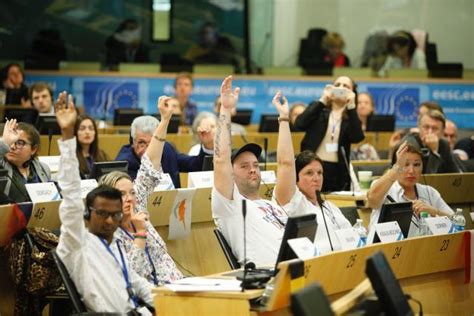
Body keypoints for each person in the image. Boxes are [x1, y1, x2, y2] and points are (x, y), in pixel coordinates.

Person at [54, 92, 153, 313]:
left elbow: (138, 284)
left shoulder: (115, 242)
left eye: (115, 215)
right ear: (88, 214)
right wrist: (68, 135)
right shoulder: (76, 242)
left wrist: (167, 302)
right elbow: (70, 194)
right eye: (102, 214)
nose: (110, 221)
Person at [99, 95, 183, 286]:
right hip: (152, 300)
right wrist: (140, 234)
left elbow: (150, 165)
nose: (129, 198)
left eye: (132, 193)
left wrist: (165, 120)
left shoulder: (138, 207)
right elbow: (129, 279)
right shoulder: (110, 233)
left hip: (178, 285)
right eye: (121, 194)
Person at [212, 76, 288, 265]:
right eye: (244, 167)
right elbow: (221, 158)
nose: (253, 170)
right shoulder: (230, 205)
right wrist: (226, 110)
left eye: (255, 165)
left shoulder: (273, 205)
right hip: (267, 277)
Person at [271, 91, 352, 254]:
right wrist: (284, 119)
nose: (316, 177)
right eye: (309, 173)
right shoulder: (293, 202)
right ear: (296, 178)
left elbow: (352, 236)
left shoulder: (330, 206)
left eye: (320, 173)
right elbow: (285, 164)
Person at [367, 142, 453, 237]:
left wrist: (434, 211)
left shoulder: (429, 192)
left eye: (416, 165)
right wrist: (397, 168)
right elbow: (372, 200)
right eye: (405, 164)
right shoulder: (386, 188)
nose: (411, 171)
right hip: (385, 249)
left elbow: (457, 221)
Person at [295, 76, 364, 192]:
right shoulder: (319, 110)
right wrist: (323, 99)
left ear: (352, 92)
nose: (341, 88)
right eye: (337, 85)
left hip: (338, 170)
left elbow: (357, 137)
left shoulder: (351, 117)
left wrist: (352, 105)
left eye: (345, 86)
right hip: (312, 166)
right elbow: (299, 124)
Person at [115, 115, 210, 188]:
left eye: (153, 143)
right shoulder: (125, 163)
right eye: (142, 143)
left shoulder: (167, 149)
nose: (148, 149)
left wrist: (207, 145)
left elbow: (196, 165)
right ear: (132, 143)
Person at [392, 110, 460, 174]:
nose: (429, 132)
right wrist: (434, 152)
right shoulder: (409, 144)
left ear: (442, 132)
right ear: (419, 128)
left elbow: (455, 174)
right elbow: (426, 181)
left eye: (435, 128)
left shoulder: (444, 145)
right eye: (426, 127)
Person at [0, 120, 51, 202]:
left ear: (33, 149)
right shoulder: (1, 165)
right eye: (11, 141)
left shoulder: (43, 169)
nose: (12, 147)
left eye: (20, 143)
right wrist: (4, 142)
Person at [75, 114, 109, 179]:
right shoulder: (71, 157)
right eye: (82, 129)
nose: (87, 132)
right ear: (75, 132)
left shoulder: (101, 155)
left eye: (91, 129)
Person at [352, 92, 379, 160]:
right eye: (359, 103)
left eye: (366, 103)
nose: (362, 105)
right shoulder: (349, 125)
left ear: (372, 107)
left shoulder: (379, 126)